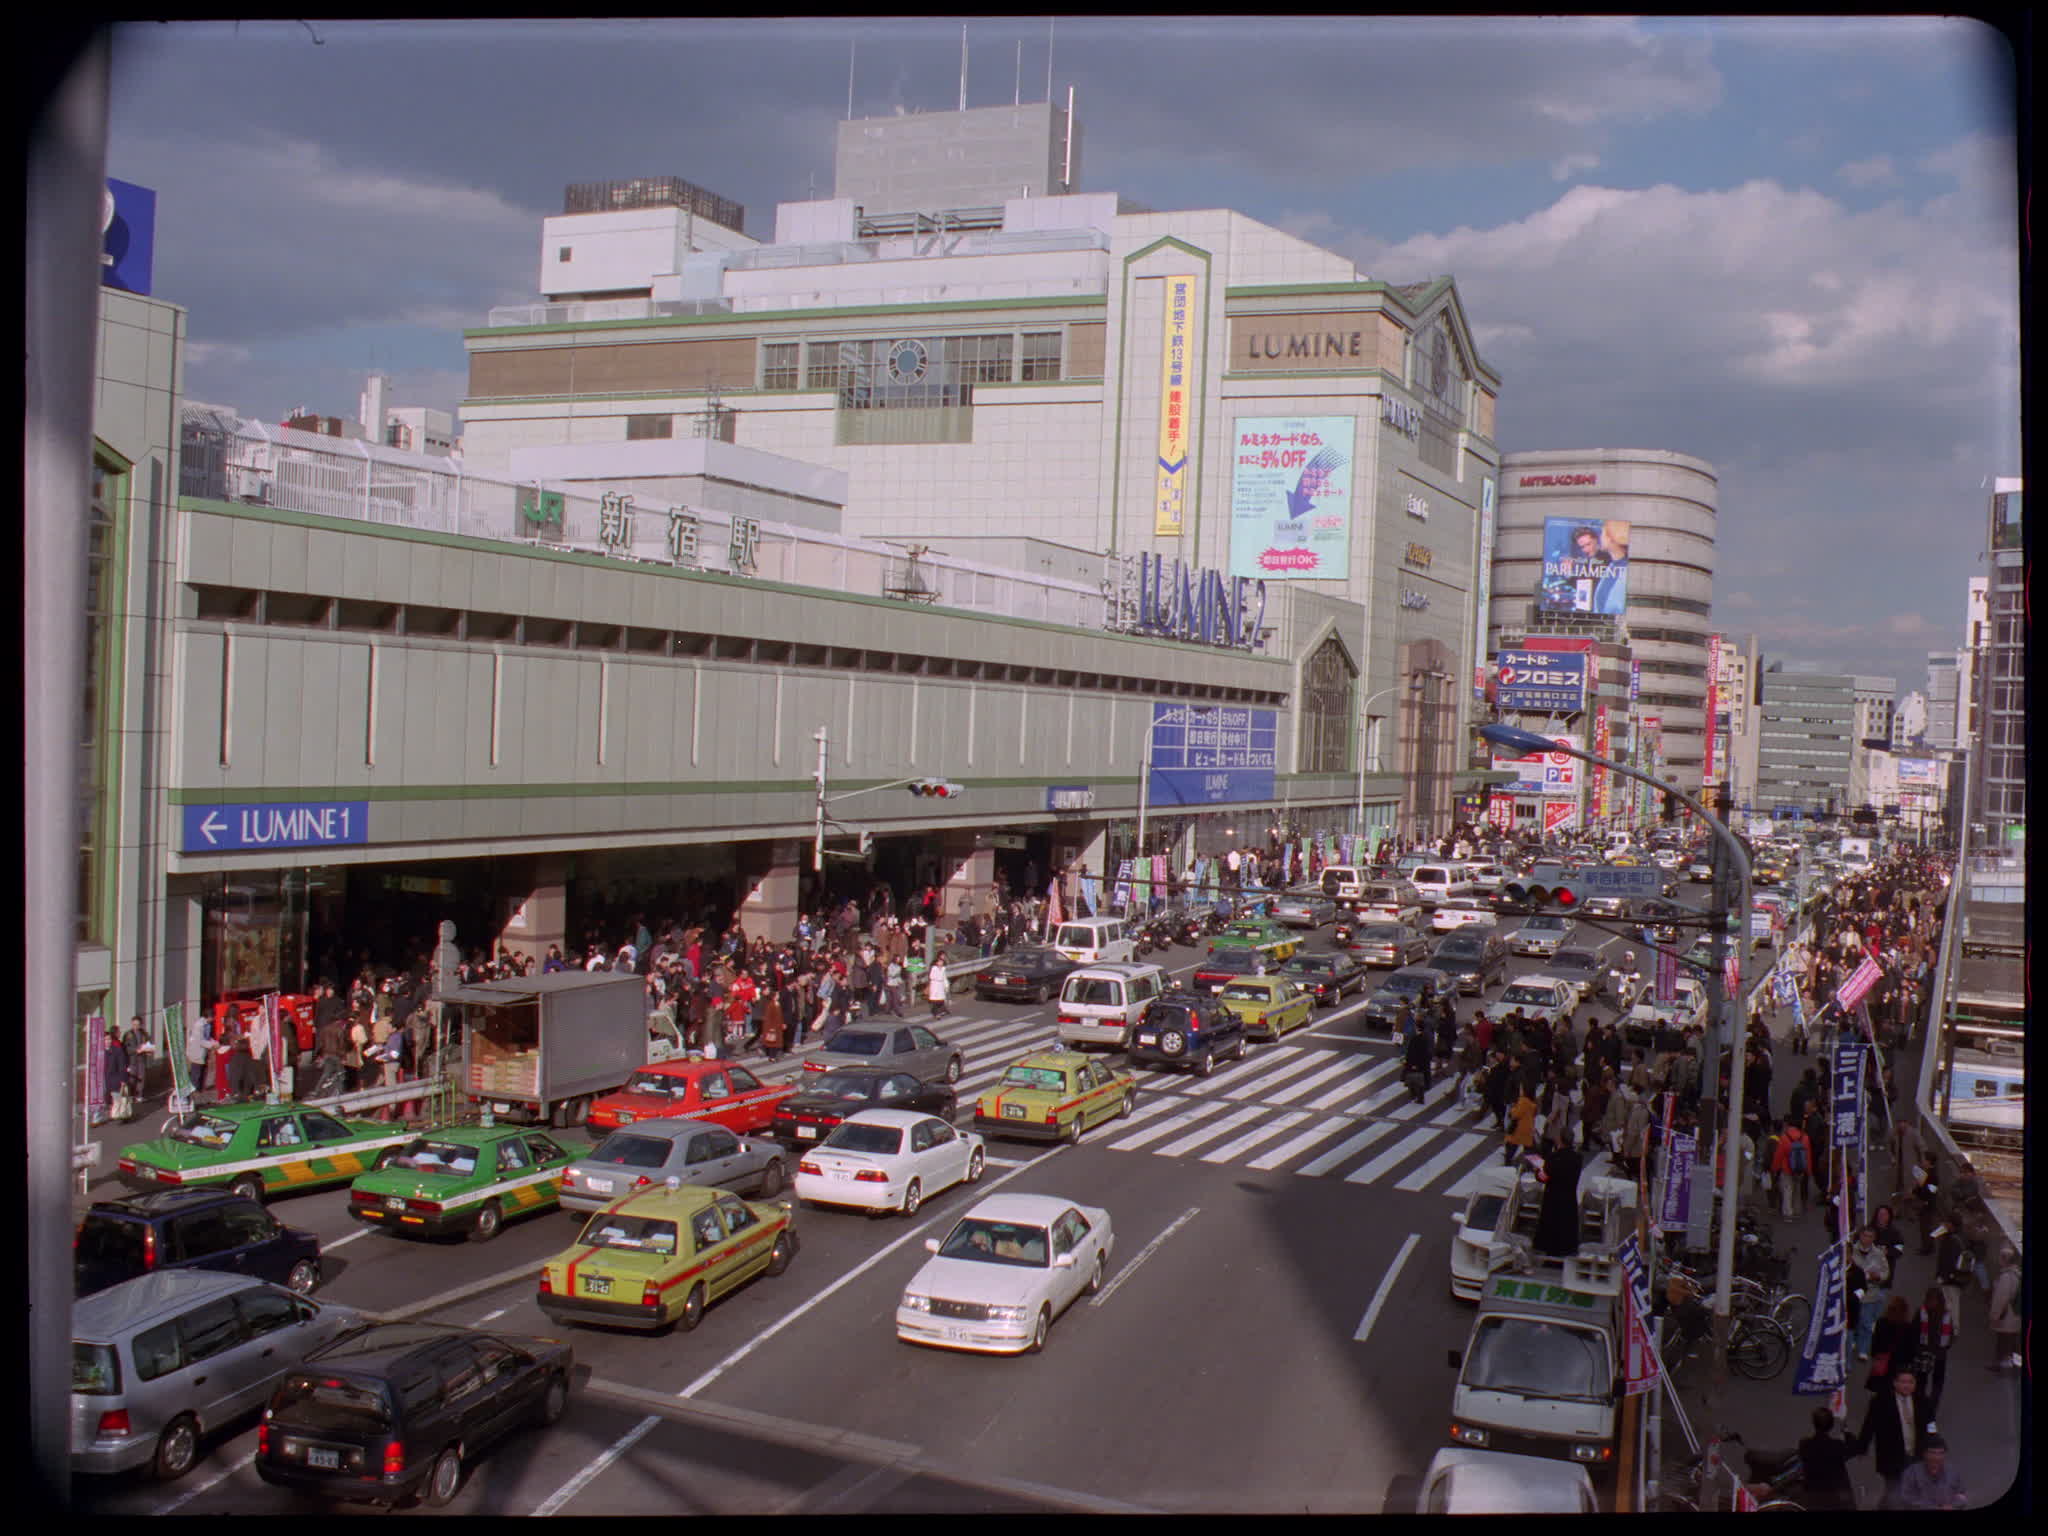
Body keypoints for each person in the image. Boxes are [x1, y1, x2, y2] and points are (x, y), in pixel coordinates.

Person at [1851, 1365, 1934, 1508]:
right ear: (1895, 1383)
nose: (1907, 1386)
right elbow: (1869, 1425)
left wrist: (1934, 1442)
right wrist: (1862, 1447)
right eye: (1903, 1382)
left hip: (1915, 1454)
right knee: (1893, 1490)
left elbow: (1931, 1424)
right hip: (1891, 1456)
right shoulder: (1881, 1401)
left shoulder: (1922, 1401)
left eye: (1910, 1382)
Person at [1797, 1405, 1859, 1511]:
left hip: (1812, 1498)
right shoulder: (1837, 1446)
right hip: (1835, 1499)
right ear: (1831, 1425)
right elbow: (1855, 1448)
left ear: (1814, 1423)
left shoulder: (1805, 1444)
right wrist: (1845, 1429)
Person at [1911, 1287, 1954, 1419]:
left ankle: (1918, 1407)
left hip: (1923, 1353)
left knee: (1921, 1382)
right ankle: (1931, 1409)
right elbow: (1950, 1336)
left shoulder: (1921, 1312)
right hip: (1940, 1354)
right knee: (1937, 1383)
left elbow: (1913, 1331)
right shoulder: (1946, 1315)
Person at [1897, 1435, 1967, 1510]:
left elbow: (1962, 1496)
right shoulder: (1911, 1473)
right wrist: (1934, 1508)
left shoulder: (1953, 1472)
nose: (1937, 1457)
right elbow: (1906, 1500)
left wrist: (1953, 1506)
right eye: (1932, 1452)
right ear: (1924, 1454)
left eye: (1941, 1453)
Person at [1986, 1245, 2022, 1372]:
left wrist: (1994, 1315)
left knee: (2003, 1341)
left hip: (2006, 1315)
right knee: (2014, 1342)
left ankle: (2000, 1364)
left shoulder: (2006, 1277)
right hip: (2016, 1314)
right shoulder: (2017, 1275)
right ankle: (2016, 1365)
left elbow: (2000, 1298)